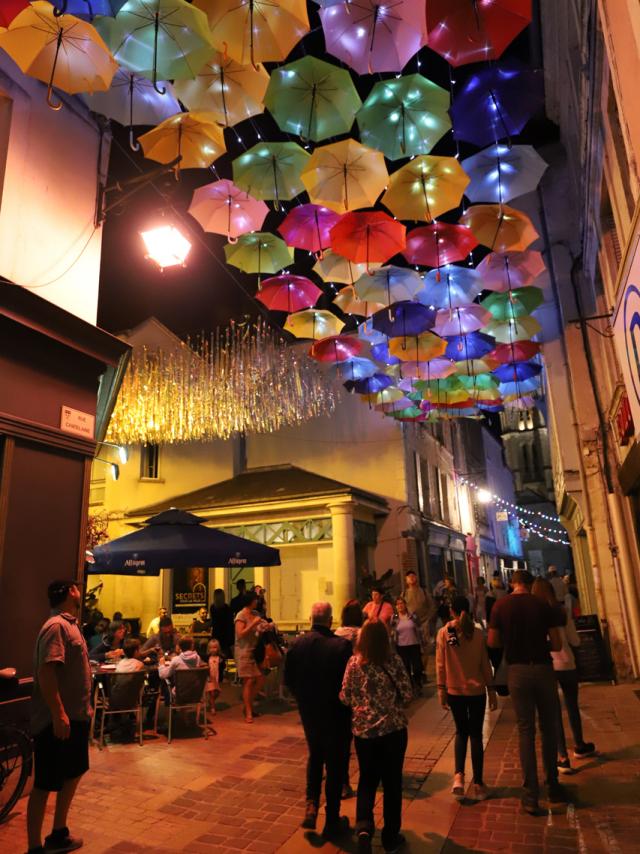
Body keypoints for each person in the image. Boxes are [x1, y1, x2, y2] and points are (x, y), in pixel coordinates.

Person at [488, 569, 566, 814]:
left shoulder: (500, 607)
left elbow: (492, 642)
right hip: (543, 669)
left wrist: (511, 642)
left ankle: (531, 794)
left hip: (517, 671)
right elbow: (557, 644)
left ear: (512, 583)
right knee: (548, 727)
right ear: (530, 584)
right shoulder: (543, 605)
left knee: (525, 730)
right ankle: (552, 784)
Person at [27, 580, 92, 854]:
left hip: (75, 717)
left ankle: (58, 833)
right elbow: (46, 672)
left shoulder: (71, 624)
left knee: (72, 773)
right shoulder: (56, 627)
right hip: (58, 721)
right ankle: (34, 847)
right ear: (69, 593)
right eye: (76, 588)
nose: (80, 591)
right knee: (44, 783)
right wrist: (58, 713)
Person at [340, 620, 413, 854]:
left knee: (367, 780)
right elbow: (408, 693)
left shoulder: (354, 663)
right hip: (393, 731)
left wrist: (362, 706)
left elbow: (345, 696)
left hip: (365, 733)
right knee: (392, 783)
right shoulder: (393, 661)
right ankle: (391, 836)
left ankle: (363, 830)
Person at [284, 603, 353, 839]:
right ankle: (332, 817)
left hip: (309, 711)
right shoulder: (342, 647)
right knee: (335, 763)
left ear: (310, 617)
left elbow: (288, 679)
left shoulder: (297, 644)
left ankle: (311, 804)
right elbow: (349, 682)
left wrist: (302, 698)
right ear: (331, 620)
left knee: (315, 755)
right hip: (336, 713)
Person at [531, 578, 596, 773]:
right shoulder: (561, 611)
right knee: (572, 705)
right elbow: (574, 640)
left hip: (547, 665)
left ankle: (562, 756)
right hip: (567, 662)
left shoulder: (535, 614)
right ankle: (579, 745)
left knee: (554, 713)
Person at [436, 595, 497, 801]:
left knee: (461, 733)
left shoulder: (446, 633)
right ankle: (478, 783)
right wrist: (492, 690)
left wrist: (441, 689)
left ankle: (459, 777)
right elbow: (485, 664)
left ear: (451, 610)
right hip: (477, 692)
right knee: (476, 735)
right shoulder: (478, 633)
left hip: (455, 692)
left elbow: (441, 664)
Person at [234, 591, 266, 723]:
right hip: (243, 651)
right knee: (249, 681)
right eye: (255, 599)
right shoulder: (241, 615)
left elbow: (258, 630)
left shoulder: (255, 614)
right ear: (250, 601)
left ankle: (248, 704)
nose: (257, 602)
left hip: (253, 650)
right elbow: (240, 634)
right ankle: (248, 711)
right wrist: (253, 624)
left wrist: (265, 627)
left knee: (260, 679)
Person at [392, 597, 424, 696]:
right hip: (401, 647)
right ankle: (410, 687)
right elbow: (392, 631)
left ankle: (418, 684)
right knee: (406, 668)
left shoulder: (412, 616)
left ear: (405, 604)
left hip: (414, 644)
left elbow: (419, 628)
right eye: (398, 604)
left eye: (402, 603)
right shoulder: (394, 618)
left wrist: (422, 642)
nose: (400, 606)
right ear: (396, 606)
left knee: (417, 667)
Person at [209, 588, 235, 658]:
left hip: (216, 633)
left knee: (216, 654)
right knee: (227, 655)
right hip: (226, 634)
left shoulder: (212, 608)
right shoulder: (227, 608)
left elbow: (212, 622)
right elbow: (230, 623)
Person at [205, 639, 223, 717]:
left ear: (218, 648)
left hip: (217, 677)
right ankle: (213, 707)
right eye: (211, 648)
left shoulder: (220, 658)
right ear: (209, 649)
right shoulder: (207, 658)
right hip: (210, 678)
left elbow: (222, 668)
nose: (213, 649)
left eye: (215, 647)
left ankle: (211, 701)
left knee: (217, 692)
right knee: (212, 693)